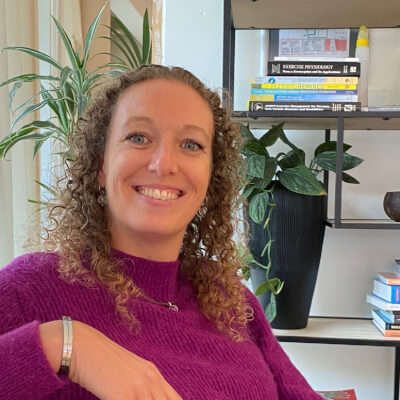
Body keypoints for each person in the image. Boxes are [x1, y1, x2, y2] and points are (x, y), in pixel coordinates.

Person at [0, 65, 322, 399]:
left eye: (191, 144)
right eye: (138, 137)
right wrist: (65, 345)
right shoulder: (29, 290)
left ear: (210, 177)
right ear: (101, 165)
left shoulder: (232, 302)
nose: (164, 164)